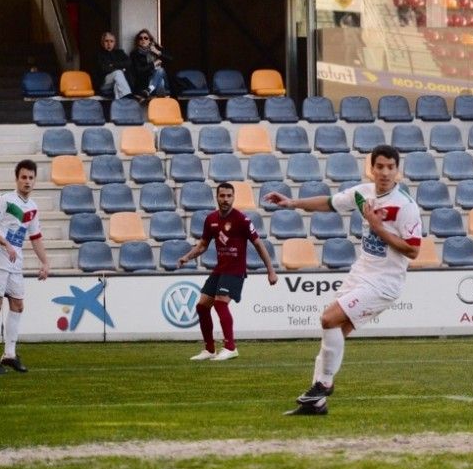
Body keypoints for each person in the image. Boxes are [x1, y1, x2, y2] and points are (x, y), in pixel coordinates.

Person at [264, 145, 423, 416]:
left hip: (384, 282)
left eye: (390, 167)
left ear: (398, 170)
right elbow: (329, 203)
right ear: (371, 168)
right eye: (380, 166)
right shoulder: (363, 194)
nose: (385, 172)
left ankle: (324, 383)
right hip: (361, 273)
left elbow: (413, 250)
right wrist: (292, 203)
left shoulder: (405, 206)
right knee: (334, 330)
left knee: (328, 318)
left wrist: (377, 228)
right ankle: (316, 403)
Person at [177, 182, 279, 361]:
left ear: (233, 197)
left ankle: (231, 347)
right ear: (216, 197)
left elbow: (258, 245)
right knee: (201, 307)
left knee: (220, 304)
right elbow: (202, 246)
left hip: (235, 270)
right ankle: (209, 350)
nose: (225, 199)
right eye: (222, 196)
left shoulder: (242, 220)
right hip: (220, 269)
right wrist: (187, 256)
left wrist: (271, 271)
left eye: (228, 196)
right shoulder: (211, 219)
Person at [0, 160, 50, 374]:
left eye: (31, 178)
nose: (27, 181)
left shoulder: (33, 207)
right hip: (0, 258)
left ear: (35, 180)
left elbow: (35, 237)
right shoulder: (5, 200)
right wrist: (7, 245)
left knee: (18, 305)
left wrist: (45, 262)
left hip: (15, 261)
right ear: (16, 178)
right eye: (23, 177)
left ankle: (9, 355)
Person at [129, 29, 171, 101]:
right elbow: (139, 71)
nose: (143, 40)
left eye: (146, 38)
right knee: (160, 76)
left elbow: (171, 60)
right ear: (138, 41)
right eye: (140, 38)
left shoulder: (157, 49)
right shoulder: (135, 54)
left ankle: (149, 90)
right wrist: (153, 64)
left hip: (160, 84)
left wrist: (157, 52)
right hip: (146, 82)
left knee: (160, 71)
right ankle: (154, 92)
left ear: (150, 40)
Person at [95, 31, 132, 99]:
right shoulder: (98, 54)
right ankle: (128, 97)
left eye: (111, 41)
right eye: (106, 41)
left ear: (114, 43)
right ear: (102, 42)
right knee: (118, 73)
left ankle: (120, 106)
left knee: (117, 85)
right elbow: (104, 69)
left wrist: (113, 65)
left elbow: (129, 62)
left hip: (115, 83)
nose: (109, 44)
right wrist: (121, 68)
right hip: (104, 85)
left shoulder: (119, 52)